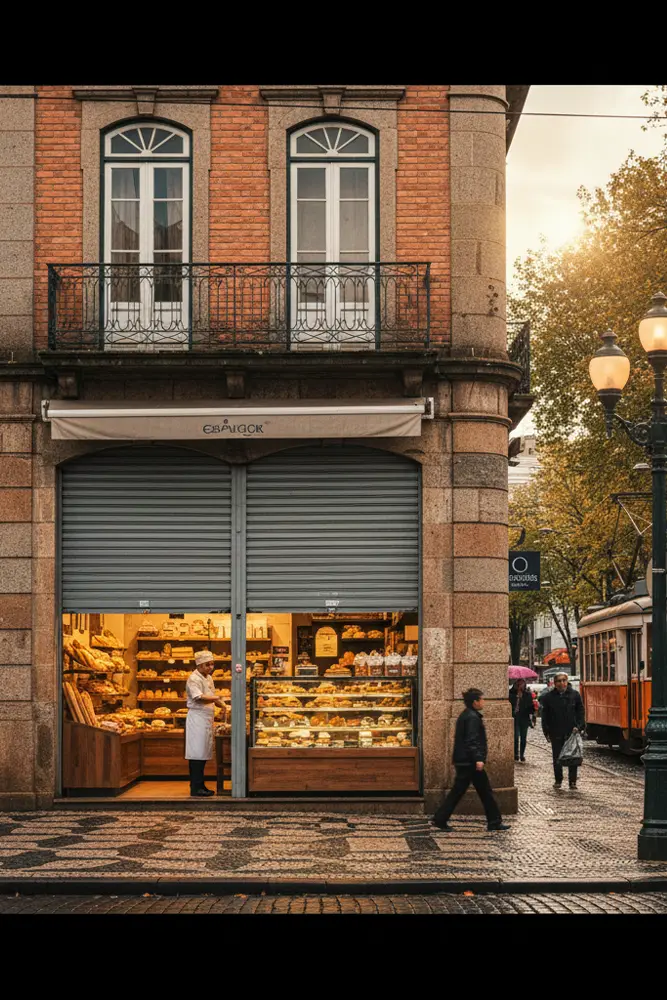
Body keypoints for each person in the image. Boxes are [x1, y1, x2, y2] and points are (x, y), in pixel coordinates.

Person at [432, 688, 510, 832]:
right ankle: (494, 821)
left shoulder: (467, 715)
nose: (483, 702)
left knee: (466, 791)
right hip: (470, 762)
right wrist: (478, 759)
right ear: (475, 702)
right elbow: (472, 740)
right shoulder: (472, 717)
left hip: (465, 761)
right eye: (482, 699)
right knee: (482, 792)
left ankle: (441, 818)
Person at [185, 649, 224, 796]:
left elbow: (212, 696)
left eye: (212, 664)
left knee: (203, 754)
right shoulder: (193, 679)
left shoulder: (208, 678)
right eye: (207, 665)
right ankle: (196, 788)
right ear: (199, 665)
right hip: (197, 718)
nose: (210, 667)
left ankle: (200, 785)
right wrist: (219, 698)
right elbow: (199, 697)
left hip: (206, 718)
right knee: (197, 754)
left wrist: (223, 706)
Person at [540, 671, 585, 789]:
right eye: (559, 681)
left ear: (567, 681)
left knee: (572, 756)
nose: (562, 683)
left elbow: (580, 712)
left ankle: (572, 781)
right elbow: (545, 716)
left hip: (572, 731)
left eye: (564, 680)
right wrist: (546, 731)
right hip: (556, 731)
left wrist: (579, 726)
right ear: (555, 683)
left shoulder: (574, 695)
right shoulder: (549, 697)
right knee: (557, 757)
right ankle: (558, 780)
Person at [509, 678, 535, 763]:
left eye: (522, 683)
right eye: (519, 683)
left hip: (524, 718)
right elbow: (509, 705)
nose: (520, 685)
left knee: (523, 738)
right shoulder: (511, 693)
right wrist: (517, 699)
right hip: (515, 718)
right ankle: (515, 754)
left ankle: (522, 754)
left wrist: (522, 699)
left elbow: (530, 708)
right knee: (516, 737)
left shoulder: (527, 694)